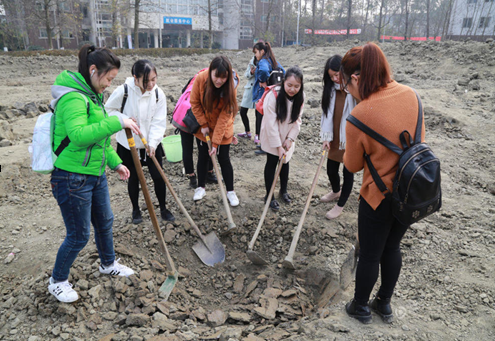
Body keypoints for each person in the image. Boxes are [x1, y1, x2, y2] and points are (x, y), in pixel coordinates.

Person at [48, 45, 141, 303]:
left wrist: (115, 163)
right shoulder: (73, 98)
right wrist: (117, 120)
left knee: (104, 222)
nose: (109, 85)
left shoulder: (92, 96)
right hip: (71, 178)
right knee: (78, 235)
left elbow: (98, 141)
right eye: (108, 79)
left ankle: (108, 263)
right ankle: (57, 281)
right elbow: (78, 136)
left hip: (94, 174)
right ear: (93, 71)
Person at [342, 42, 425, 324]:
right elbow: (418, 141)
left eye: (346, 84)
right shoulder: (412, 96)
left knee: (369, 254)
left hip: (377, 197)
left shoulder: (359, 115)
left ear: (355, 77)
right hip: (411, 193)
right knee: (392, 248)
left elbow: (352, 166)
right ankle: (384, 304)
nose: (347, 91)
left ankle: (361, 307)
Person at [106, 59, 175, 224]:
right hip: (128, 144)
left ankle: (163, 208)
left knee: (158, 176)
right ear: (135, 78)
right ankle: (136, 210)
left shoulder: (158, 94)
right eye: (146, 81)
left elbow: (159, 122)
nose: (151, 84)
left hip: (151, 143)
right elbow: (108, 110)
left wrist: (153, 143)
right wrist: (124, 120)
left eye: (154, 79)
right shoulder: (124, 91)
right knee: (134, 178)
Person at [190, 56, 240, 206]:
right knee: (203, 157)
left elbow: (225, 116)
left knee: (224, 158)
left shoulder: (231, 85)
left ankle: (230, 191)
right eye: (216, 76)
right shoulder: (201, 79)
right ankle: (201, 187)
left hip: (223, 128)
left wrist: (216, 142)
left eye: (223, 78)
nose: (219, 81)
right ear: (210, 71)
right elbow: (194, 102)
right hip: (204, 126)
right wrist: (203, 124)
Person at [260, 66, 304, 211]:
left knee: (285, 162)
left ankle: (283, 191)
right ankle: (269, 195)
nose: (292, 89)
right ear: (284, 82)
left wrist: (290, 139)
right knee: (272, 163)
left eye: (297, 86)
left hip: (287, 136)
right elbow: (270, 123)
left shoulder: (300, 97)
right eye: (289, 85)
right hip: (272, 134)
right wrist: (278, 145)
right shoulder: (273, 95)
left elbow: (297, 121)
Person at [320, 55, 357, 219]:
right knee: (331, 169)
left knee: (348, 172)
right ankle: (336, 191)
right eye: (331, 76)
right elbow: (326, 114)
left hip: (350, 137)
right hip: (334, 136)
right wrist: (326, 137)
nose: (335, 79)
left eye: (337, 74)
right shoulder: (331, 90)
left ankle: (340, 205)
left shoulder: (355, 89)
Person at [252, 42, 285, 155]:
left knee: (263, 121)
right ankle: (266, 145)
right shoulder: (274, 61)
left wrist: (262, 81)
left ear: (262, 51)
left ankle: (264, 146)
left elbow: (264, 71)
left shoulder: (263, 61)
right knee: (270, 121)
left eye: (256, 52)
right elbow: (284, 72)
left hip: (264, 95)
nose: (255, 55)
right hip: (274, 95)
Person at [237, 56, 257, 139]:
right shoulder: (252, 60)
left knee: (258, 114)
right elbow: (246, 75)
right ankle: (247, 132)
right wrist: (251, 73)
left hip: (259, 90)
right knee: (242, 111)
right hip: (249, 89)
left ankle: (258, 135)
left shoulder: (265, 61)